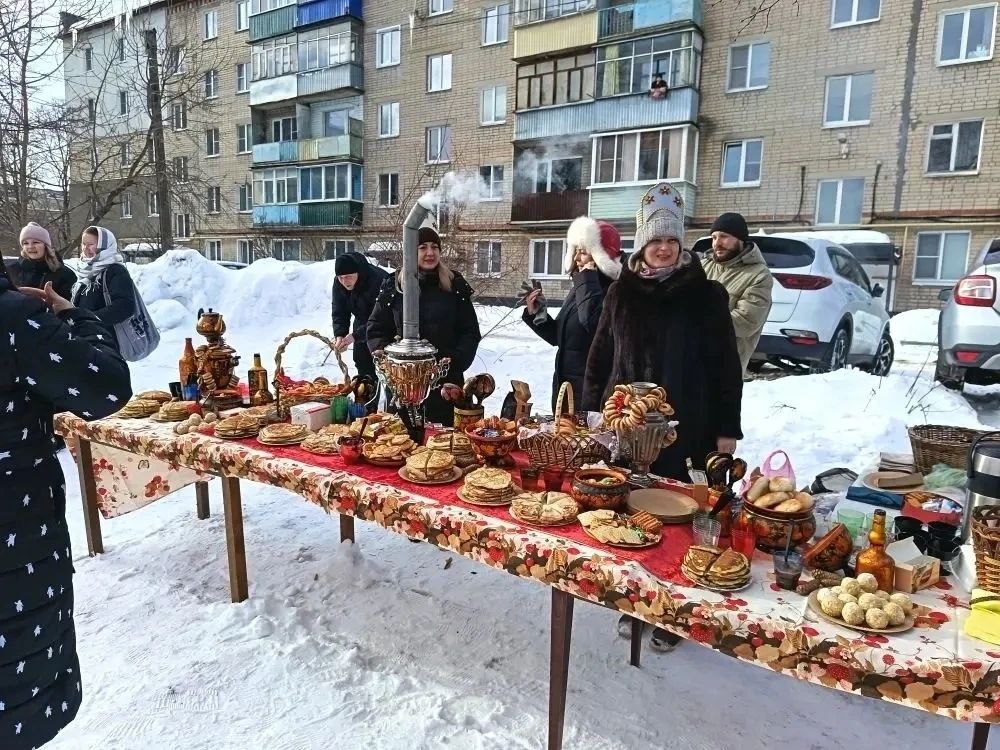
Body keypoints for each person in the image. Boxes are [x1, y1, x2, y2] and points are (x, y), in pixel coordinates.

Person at [582, 183, 744, 653]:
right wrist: (594, 410)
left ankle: (673, 612)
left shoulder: (706, 295)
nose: (664, 248)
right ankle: (633, 600)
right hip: (626, 430)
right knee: (630, 516)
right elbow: (599, 356)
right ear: (642, 243)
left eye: (671, 240)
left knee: (680, 523)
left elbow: (726, 368)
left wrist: (726, 430)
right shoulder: (621, 293)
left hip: (685, 430)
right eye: (656, 240)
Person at [0, 256, 132, 750]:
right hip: (16, 548)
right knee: (19, 706)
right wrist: (73, 316)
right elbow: (107, 384)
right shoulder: (13, 319)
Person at [367, 226, 482, 424]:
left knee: (443, 445)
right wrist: (390, 364)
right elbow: (376, 327)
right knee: (400, 441)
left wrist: (454, 362)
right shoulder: (394, 285)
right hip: (402, 383)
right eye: (422, 247)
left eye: (434, 247)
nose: (430, 253)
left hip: (445, 383)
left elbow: (469, 331)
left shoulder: (454, 285)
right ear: (411, 252)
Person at [523, 216, 622, 410]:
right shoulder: (582, 284)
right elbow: (559, 338)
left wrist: (587, 280)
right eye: (575, 251)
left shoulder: (615, 290)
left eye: (583, 252)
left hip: (592, 395)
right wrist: (537, 314)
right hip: (566, 389)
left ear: (600, 255)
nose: (576, 258)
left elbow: (594, 325)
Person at [702, 212, 773, 376]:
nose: (717, 243)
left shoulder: (759, 275)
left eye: (724, 237)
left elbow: (746, 322)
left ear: (740, 239)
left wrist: (697, 321)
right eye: (713, 237)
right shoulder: (703, 265)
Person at [70, 226, 137, 348]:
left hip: (106, 340)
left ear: (104, 246)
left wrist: (92, 319)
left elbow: (125, 305)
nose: (86, 248)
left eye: (91, 244)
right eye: (83, 244)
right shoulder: (84, 269)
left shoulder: (115, 270)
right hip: (86, 338)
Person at [331, 251, 389, 386]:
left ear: (358, 273)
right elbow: (339, 309)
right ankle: (365, 398)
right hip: (361, 320)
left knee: (385, 366)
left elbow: (380, 318)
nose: (345, 281)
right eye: (341, 277)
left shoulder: (379, 280)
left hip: (386, 325)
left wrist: (355, 336)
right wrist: (340, 334)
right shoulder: (339, 282)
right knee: (362, 361)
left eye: (349, 277)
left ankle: (390, 402)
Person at [12, 222, 77, 299]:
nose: (30, 247)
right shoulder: (12, 270)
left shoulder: (66, 275)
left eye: (35, 242)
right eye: (25, 243)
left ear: (46, 246)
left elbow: (68, 307)